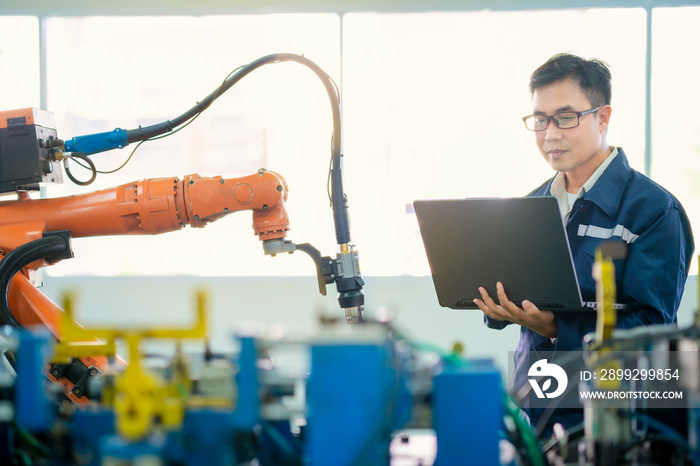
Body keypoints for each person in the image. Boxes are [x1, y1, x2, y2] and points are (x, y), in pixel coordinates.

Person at [475, 53, 695, 436]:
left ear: (603, 117)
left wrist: (557, 326)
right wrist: (497, 305)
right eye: (540, 120)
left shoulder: (656, 211)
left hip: (622, 421)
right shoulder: (530, 207)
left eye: (564, 117)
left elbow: (652, 327)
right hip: (541, 411)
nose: (550, 134)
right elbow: (518, 294)